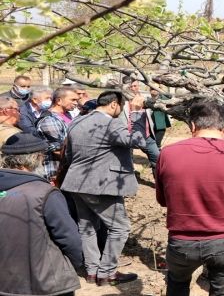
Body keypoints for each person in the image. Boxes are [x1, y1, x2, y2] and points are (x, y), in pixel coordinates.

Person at [156, 100, 224, 296]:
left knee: (177, 285)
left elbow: (163, 200)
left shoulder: (168, 153)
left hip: (182, 239)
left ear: (192, 126)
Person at [60, 90, 146, 286]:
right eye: (122, 107)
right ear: (114, 104)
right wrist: (137, 112)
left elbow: (69, 155)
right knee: (120, 228)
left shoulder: (77, 121)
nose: (122, 110)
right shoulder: (110, 123)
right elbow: (138, 141)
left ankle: (92, 271)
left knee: (87, 227)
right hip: (101, 186)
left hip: (76, 183)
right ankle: (106, 273)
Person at [0, 133, 83, 296]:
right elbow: (69, 238)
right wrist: (75, 264)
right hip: (45, 284)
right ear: (37, 158)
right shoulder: (44, 193)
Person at [36, 86, 78, 183]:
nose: (76, 103)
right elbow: (58, 150)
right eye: (73, 100)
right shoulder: (49, 120)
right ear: (59, 101)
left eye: (77, 100)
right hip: (55, 173)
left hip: (66, 170)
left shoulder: (68, 115)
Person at [120, 76, 160, 169]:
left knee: (157, 158)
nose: (133, 88)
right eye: (131, 87)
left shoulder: (144, 98)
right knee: (127, 162)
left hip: (146, 136)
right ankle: (132, 179)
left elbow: (154, 105)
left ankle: (158, 180)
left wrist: (154, 96)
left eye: (135, 86)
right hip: (128, 136)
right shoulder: (121, 101)